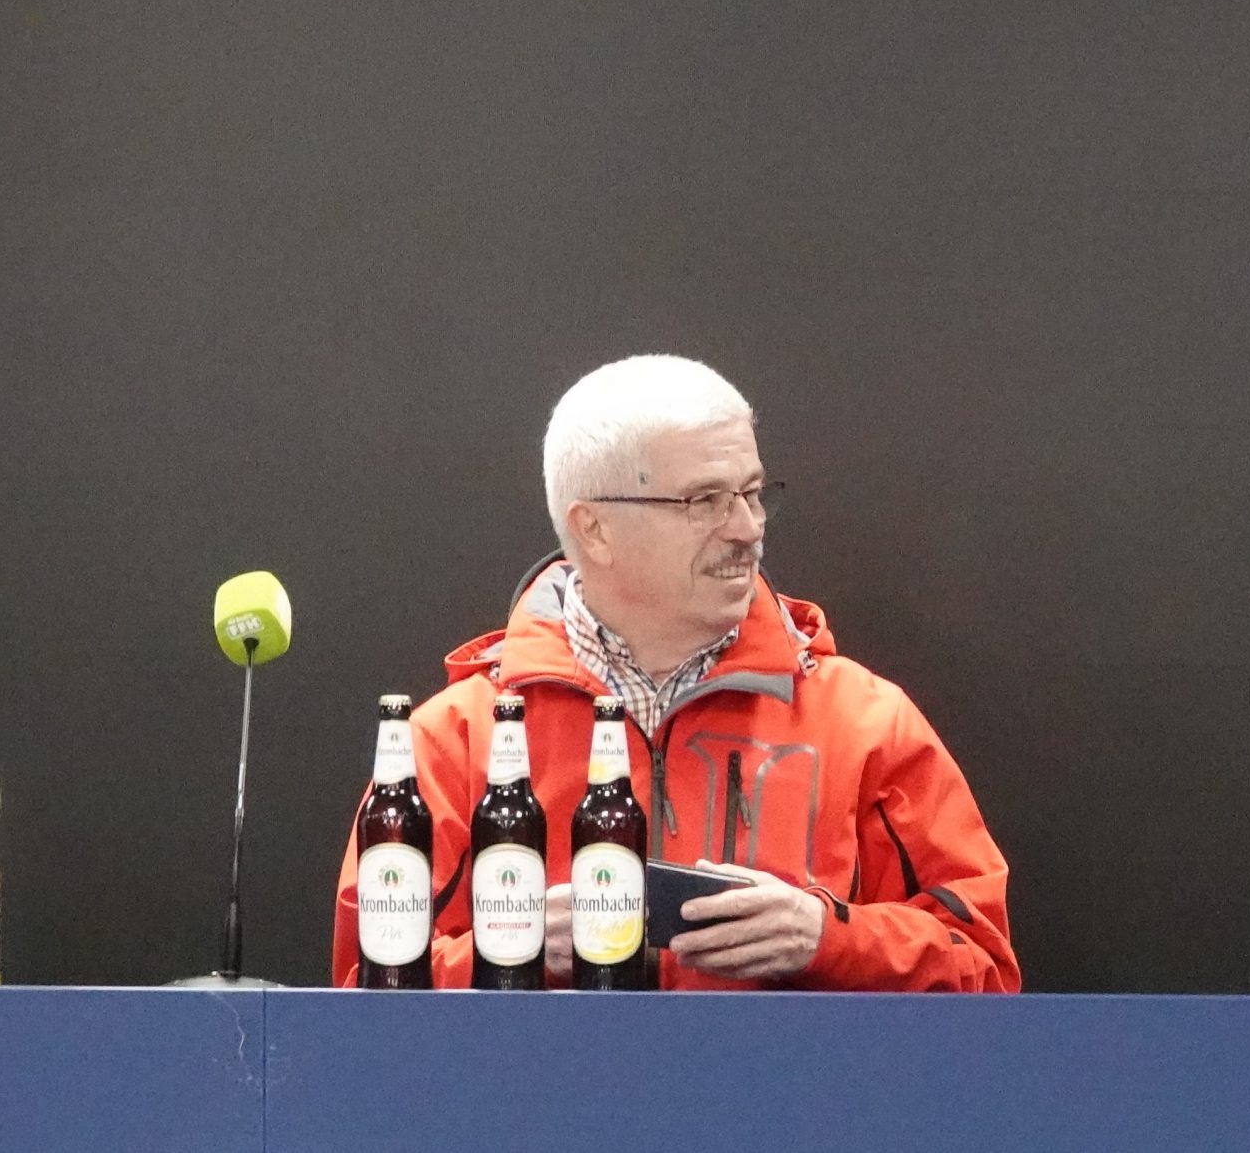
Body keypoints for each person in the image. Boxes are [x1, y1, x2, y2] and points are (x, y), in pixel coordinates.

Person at [331, 355, 1019, 991]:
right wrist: (512, 949)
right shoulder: (454, 743)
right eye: (704, 500)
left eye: (752, 493)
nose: (747, 528)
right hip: (544, 1092)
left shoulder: (865, 724)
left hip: (786, 1092)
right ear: (593, 529)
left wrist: (828, 938)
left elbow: (986, 973)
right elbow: (358, 1000)